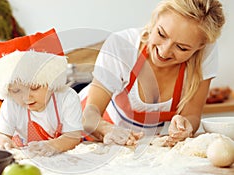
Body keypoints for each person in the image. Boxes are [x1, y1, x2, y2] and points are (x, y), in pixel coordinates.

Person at [80, 0, 225, 147]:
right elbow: (88, 116)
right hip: (83, 133)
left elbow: (192, 115)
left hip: (138, 147)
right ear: (155, 20)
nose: (164, 51)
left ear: (200, 47)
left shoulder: (205, 54)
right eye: (161, 34)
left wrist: (185, 126)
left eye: (181, 48)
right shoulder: (122, 45)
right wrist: (107, 129)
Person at [0, 30, 83, 157]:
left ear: (51, 81)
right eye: (16, 91)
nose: (26, 97)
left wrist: (52, 146)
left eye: (35, 87)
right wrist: (1, 140)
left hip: (62, 160)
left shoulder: (67, 97)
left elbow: (73, 137)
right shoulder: (12, 104)